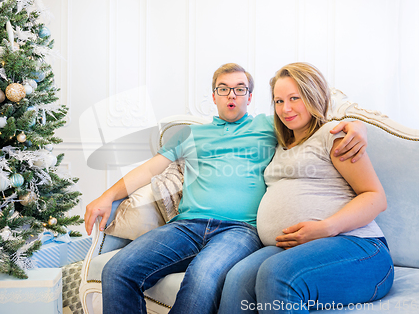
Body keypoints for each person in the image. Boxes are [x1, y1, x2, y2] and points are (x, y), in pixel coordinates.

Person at [84, 63, 369, 314]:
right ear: (214, 96)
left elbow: (318, 113)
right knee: (118, 270)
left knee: (202, 278)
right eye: (224, 89)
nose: (232, 95)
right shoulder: (190, 134)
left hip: (240, 230)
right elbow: (148, 170)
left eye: (239, 89)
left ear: (250, 97)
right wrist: (105, 197)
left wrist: (357, 125)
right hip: (186, 226)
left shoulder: (272, 125)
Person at [217, 62, 394, 314]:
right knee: (237, 278)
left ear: (313, 97)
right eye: (278, 101)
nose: (285, 109)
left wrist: (325, 228)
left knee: (277, 273)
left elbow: (376, 197)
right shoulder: (280, 144)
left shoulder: (333, 136)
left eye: (294, 98)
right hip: (292, 249)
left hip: (358, 248)